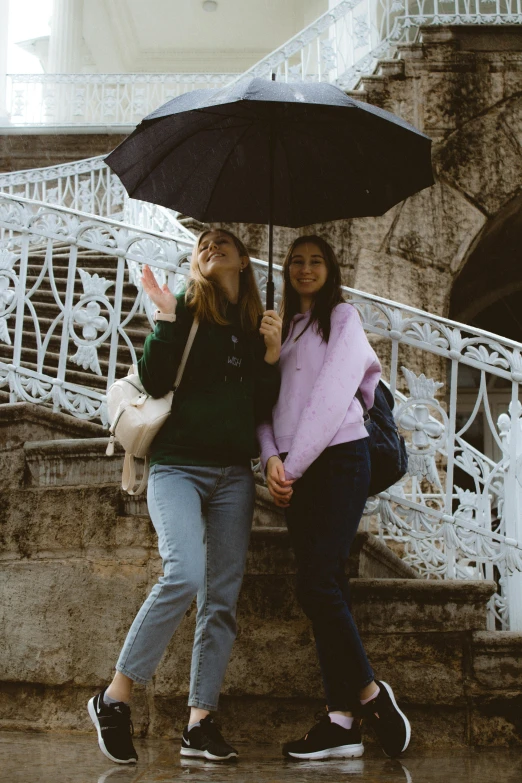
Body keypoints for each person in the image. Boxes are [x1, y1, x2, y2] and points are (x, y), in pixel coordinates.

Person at [88, 228, 282, 764]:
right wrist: (166, 320)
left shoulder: (255, 326)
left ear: (244, 258)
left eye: (224, 241)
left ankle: (200, 724)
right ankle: (114, 697)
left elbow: (263, 406)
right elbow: (152, 380)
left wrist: (270, 353)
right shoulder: (189, 309)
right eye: (203, 243)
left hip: (233, 478)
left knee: (220, 599)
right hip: (176, 467)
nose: (211, 246)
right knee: (183, 573)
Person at [257, 235, 411, 761]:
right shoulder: (276, 327)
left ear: (331, 269)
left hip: (341, 459)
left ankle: (369, 692)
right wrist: (270, 460)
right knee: (332, 587)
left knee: (316, 581)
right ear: (285, 270)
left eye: (315, 261)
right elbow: (261, 403)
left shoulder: (342, 319)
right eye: (296, 261)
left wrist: (290, 466)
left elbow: (328, 400)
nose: (304, 269)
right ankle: (342, 720)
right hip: (294, 471)